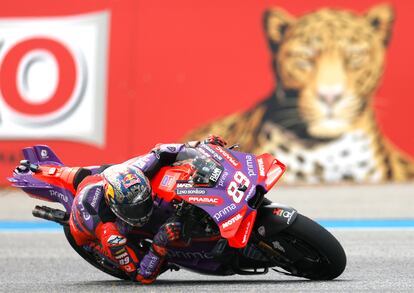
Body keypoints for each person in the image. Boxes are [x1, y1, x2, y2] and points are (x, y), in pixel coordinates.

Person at [68, 135, 227, 284]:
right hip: (91, 237)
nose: (143, 211)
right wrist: (159, 243)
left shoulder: (139, 171)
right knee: (149, 262)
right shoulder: (111, 235)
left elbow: (163, 150)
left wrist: (201, 147)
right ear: (118, 209)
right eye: (136, 209)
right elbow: (141, 275)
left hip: (105, 177)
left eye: (144, 202)